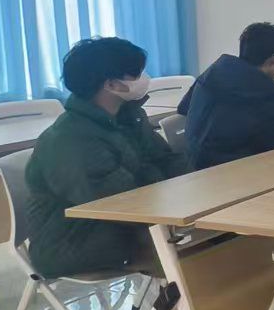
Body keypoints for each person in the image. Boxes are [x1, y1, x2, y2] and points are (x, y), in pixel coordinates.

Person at [25, 37, 183, 278]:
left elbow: (165, 160)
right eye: (136, 73)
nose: (144, 78)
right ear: (111, 84)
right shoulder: (71, 139)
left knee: (210, 237)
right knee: (189, 255)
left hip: (119, 227)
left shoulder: (128, 116)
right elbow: (117, 204)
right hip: (74, 242)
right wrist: (157, 178)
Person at [178, 22, 274, 170]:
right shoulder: (267, 95)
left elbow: (183, 108)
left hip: (192, 165)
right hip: (234, 171)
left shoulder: (213, 73)